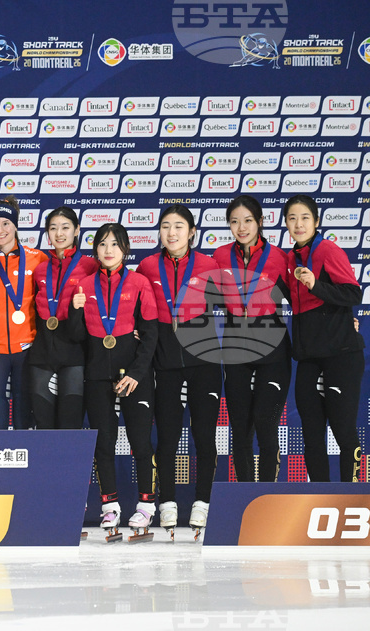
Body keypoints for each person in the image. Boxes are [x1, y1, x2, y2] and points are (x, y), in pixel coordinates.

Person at [136, 205, 221, 538]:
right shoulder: (146, 266)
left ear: (192, 232)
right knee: (167, 438)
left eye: (179, 226)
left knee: (204, 436)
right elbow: (138, 311)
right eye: (166, 226)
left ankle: (204, 503)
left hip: (205, 363)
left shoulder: (208, 265)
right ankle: (167, 503)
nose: (172, 233)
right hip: (165, 365)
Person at [69, 223, 158, 540]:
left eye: (115, 244)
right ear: (95, 249)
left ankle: (146, 506)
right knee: (103, 444)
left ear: (125, 249)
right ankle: (111, 507)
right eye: (103, 244)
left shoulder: (139, 283)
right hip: (97, 375)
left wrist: (135, 374)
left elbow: (150, 336)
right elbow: (77, 337)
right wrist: (75, 311)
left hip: (134, 375)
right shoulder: (84, 284)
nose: (108, 250)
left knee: (140, 441)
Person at [285, 194, 365, 482]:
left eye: (305, 217)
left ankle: (353, 498)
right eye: (292, 218)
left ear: (316, 222)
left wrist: (316, 285)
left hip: (340, 355)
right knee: (312, 433)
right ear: (286, 223)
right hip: (308, 357)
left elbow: (353, 293)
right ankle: (318, 496)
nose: (298, 223)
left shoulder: (328, 250)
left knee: (343, 430)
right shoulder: (289, 259)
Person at [213, 195, 291, 485]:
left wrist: (347, 319)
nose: (241, 227)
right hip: (236, 347)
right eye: (234, 221)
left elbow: (302, 295)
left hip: (273, 345)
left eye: (248, 220)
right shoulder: (220, 256)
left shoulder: (281, 258)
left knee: (265, 423)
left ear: (260, 222)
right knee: (240, 428)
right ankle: (245, 494)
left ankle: (267, 493)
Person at [0, 196, 48, 429]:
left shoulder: (37, 259)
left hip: (27, 347)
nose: (0, 229)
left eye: (6, 223)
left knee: (24, 412)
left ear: (16, 225)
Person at [28, 206, 98, 430]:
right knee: (43, 423)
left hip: (74, 349)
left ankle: (72, 466)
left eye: (65, 227)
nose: (59, 234)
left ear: (77, 230)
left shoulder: (90, 266)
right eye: (53, 228)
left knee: (70, 422)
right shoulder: (40, 269)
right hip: (42, 350)